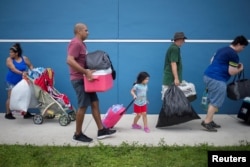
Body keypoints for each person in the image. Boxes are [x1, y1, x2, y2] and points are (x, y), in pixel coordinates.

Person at [66, 23, 116, 143]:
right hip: (79, 80)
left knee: (95, 103)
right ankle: (77, 134)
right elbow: (69, 60)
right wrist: (85, 72)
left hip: (86, 79)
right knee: (82, 106)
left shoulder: (82, 44)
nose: (88, 32)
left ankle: (101, 130)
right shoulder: (75, 43)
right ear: (79, 31)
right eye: (86, 30)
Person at [202, 35, 249, 132]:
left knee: (212, 100)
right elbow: (232, 72)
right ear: (239, 44)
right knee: (215, 102)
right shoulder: (233, 55)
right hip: (217, 79)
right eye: (243, 47)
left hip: (208, 75)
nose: (243, 49)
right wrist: (240, 68)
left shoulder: (222, 49)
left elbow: (211, 61)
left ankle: (209, 120)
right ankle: (206, 122)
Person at [5, 43, 34, 119]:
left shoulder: (24, 59)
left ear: (16, 53)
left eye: (12, 52)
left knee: (24, 96)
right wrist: (23, 73)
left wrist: (32, 71)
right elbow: (13, 69)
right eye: (10, 52)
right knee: (11, 97)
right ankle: (8, 113)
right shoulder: (9, 59)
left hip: (22, 81)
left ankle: (25, 113)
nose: (10, 53)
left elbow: (30, 65)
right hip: (11, 81)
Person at [162, 32, 187, 100]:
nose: (184, 41)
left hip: (170, 78)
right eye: (183, 40)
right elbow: (173, 63)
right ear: (179, 39)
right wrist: (176, 78)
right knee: (169, 100)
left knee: (171, 100)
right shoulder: (174, 48)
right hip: (171, 79)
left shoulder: (175, 48)